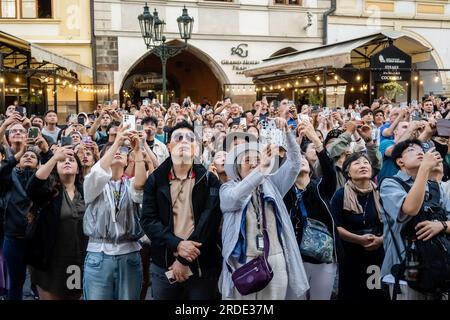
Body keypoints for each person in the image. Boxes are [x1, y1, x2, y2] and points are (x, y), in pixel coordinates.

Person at [219, 117, 309, 300]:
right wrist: (261, 168)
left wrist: (287, 134)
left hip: (274, 258)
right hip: (242, 261)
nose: (253, 163)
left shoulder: (272, 184)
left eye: (257, 159)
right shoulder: (227, 188)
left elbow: (294, 164)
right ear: (237, 167)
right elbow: (235, 199)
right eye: (248, 160)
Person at [141, 121, 222, 300]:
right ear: (169, 146)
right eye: (178, 138)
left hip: (201, 266)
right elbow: (148, 220)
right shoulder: (155, 180)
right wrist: (176, 244)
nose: (184, 141)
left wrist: (184, 259)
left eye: (190, 138)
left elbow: (209, 222)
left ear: (196, 148)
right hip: (164, 265)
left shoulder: (209, 180)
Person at [380, 139, 450, 300]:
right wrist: (425, 169)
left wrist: (441, 225)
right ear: (400, 161)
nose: (420, 152)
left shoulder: (435, 187)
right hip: (405, 272)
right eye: (412, 150)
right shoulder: (390, 183)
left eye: (421, 150)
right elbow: (410, 209)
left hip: (438, 270)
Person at [82, 126, 147, 300]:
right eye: (112, 151)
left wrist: (138, 150)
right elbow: (97, 174)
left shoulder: (130, 183)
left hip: (129, 254)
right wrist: (118, 141)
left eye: (123, 151)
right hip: (99, 255)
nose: (118, 152)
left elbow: (141, 186)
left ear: (128, 161)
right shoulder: (93, 184)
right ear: (104, 158)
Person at [284, 121, 339, 300]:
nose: (300, 161)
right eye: (296, 159)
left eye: (303, 159)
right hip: (293, 259)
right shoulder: (284, 192)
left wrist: (316, 140)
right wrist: (295, 143)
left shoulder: (320, 187)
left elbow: (330, 172)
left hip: (322, 258)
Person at [26, 146, 86, 300]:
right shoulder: (48, 192)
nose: (66, 162)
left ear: (78, 170)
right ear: (55, 167)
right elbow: (32, 187)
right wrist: (53, 158)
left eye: (71, 160)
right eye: (62, 161)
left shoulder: (85, 192)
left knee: (73, 296)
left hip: (76, 262)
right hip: (49, 262)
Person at [330, 152, 387, 300]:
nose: (362, 165)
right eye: (357, 163)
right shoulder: (340, 195)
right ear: (347, 172)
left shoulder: (381, 193)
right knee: (352, 293)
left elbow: (392, 224)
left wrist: (380, 240)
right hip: (350, 255)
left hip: (377, 254)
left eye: (365, 163)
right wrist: (359, 239)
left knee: (375, 293)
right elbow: (336, 226)